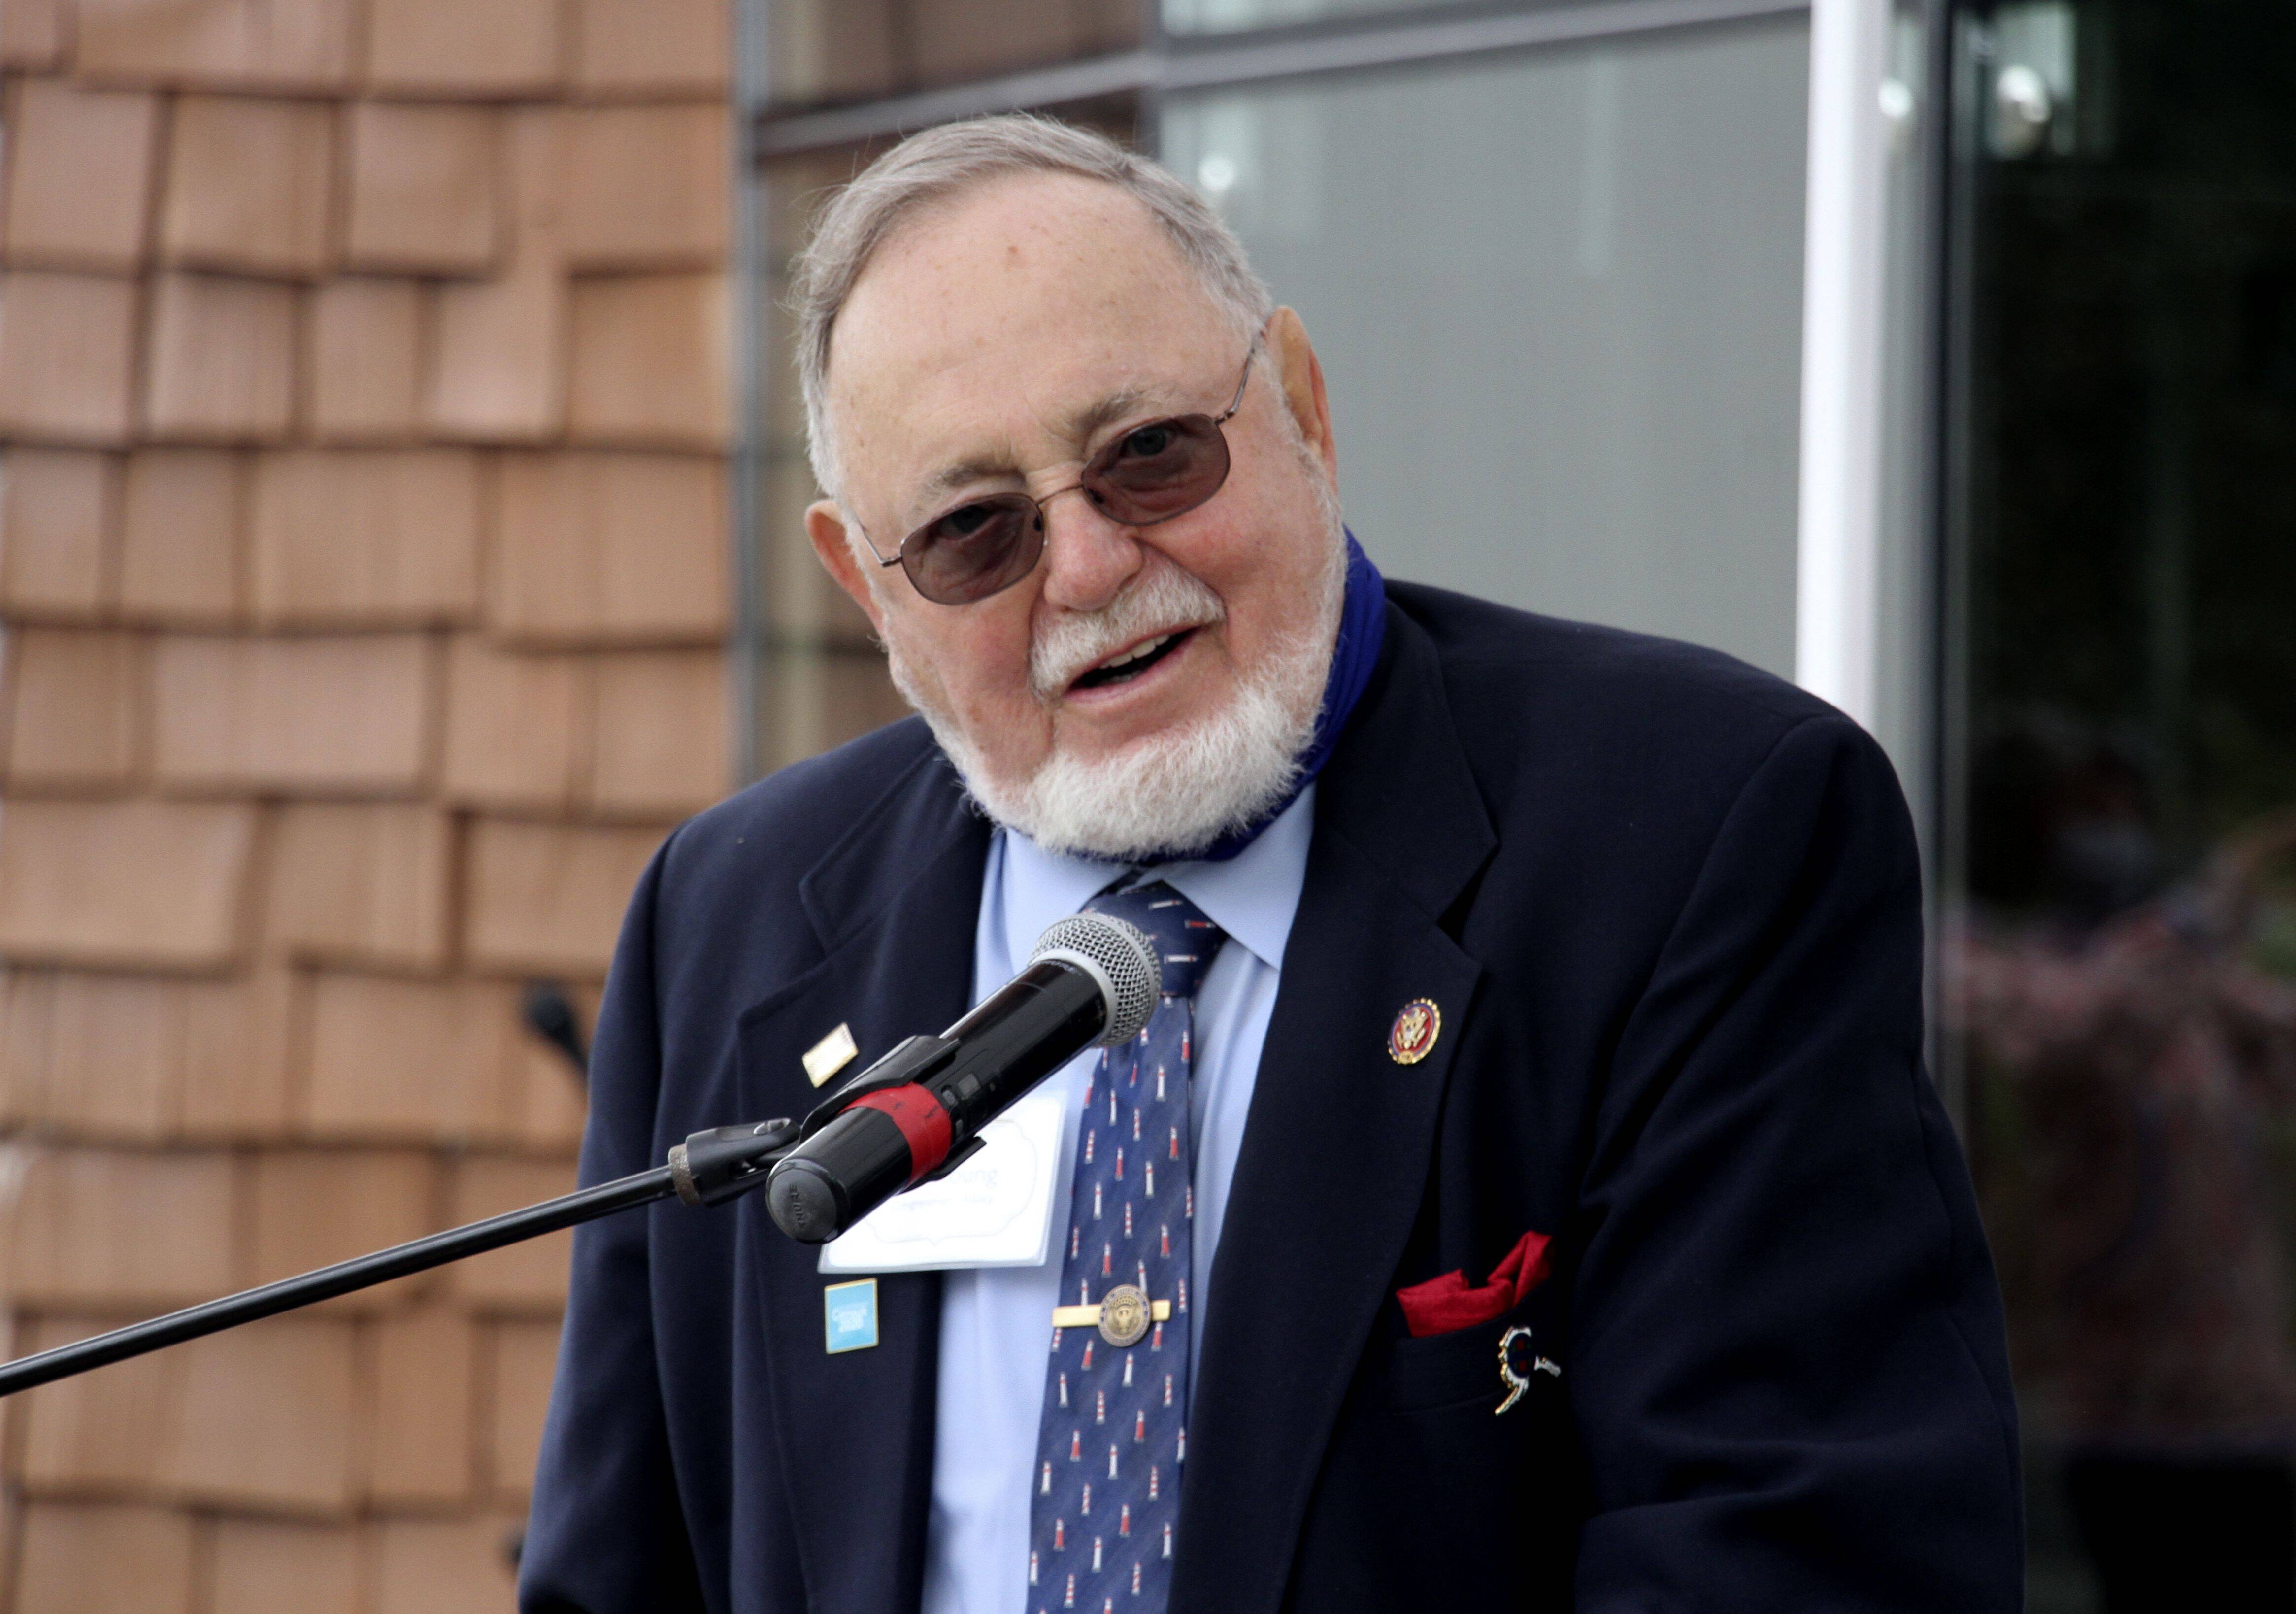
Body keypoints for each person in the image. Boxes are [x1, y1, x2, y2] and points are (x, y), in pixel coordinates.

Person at [520, 115, 2021, 1614]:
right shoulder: (729, 916)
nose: (1091, 568)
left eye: (1149, 456)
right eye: (976, 532)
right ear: (867, 584)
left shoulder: (1696, 834)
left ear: (1301, 403)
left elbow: (1800, 1561)